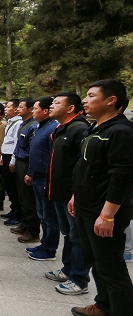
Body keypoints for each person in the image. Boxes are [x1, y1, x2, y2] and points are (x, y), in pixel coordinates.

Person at [69, 79, 133, 316]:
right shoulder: (96, 129)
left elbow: (121, 176)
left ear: (111, 100)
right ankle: (104, 305)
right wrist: (76, 196)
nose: (85, 100)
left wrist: (107, 216)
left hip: (103, 212)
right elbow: (87, 168)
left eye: (91, 95)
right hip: (86, 207)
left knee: (111, 268)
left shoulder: (121, 132)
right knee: (96, 261)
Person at [46, 92, 91, 296]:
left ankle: (79, 279)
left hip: (71, 195)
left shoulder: (79, 129)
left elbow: (84, 165)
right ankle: (67, 269)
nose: (51, 106)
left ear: (70, 108)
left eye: (56, 103)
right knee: (69, 234)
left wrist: (75, 194)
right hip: (59, 192)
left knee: (77, 236)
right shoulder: (62, 128)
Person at [26, 97, 59, 261]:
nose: (32, 111)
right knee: (42, 214)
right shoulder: (41, 126)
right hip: (37, 176)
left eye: (35, 108)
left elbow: (52, 156)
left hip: (46, 179)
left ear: (45, 111)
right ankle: (44, 244)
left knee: (49, 217)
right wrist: (30, 172)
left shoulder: (52, 128)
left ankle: (49, 249)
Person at [9, 98, 39, 243]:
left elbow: (33, 150)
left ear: (30, 109)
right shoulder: (23, 124)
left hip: (26, 163)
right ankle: (24, 223)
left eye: (21, 107)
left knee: (28, 198)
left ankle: (32, 230)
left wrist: (30, 171)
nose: (18, 109)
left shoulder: (33, 126)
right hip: (20, 161)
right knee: (21, 196)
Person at [0, 99, 23, 226]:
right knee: (8, 184)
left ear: (16, 109)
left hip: (11, 157)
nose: (5, 109)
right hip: (6, 155)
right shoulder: (11, 121)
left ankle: (18, 214)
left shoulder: (18, 123)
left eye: (8, 107)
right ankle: (13, 210)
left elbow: (16, 143)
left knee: (13, 187)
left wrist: (13, 160)